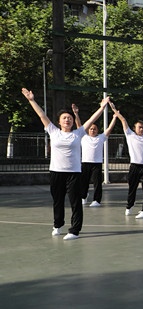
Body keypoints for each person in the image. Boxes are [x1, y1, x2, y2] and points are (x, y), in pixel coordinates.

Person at [22, 89, 108, 240]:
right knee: (58, 201)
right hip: (56, 172)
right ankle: (58, 225)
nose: (67, 120)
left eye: (69, 118)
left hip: (74, 173)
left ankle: (74, 230)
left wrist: (101, 108)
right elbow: (42, 115)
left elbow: (91, 120)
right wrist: (31, 100)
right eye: (64, 118)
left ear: (73, 121)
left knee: (75, 202)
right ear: (59, 121)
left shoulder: (78, 133)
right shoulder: (53, 131)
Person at [111, 105, 143, 219]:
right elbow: (123, 120)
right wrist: (114, 110)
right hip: (134, 167)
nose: (141, 129)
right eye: (139, 127)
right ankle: (129, 205)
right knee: (132, 188)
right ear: (134, 128)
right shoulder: (130, 135)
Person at [78, 103, 117, 207]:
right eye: (91, 129)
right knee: (84, 182)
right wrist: (76, 114)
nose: (92, 130)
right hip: (85, 163)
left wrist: (114, 117)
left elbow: (109, 129)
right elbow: (79, 125)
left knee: (97, 183)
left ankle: (96, 200)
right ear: (88, 130)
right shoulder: (83, 137)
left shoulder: (101, 137)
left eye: (94, 129)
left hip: (97, 164)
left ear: (97, 131)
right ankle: (83, 196)